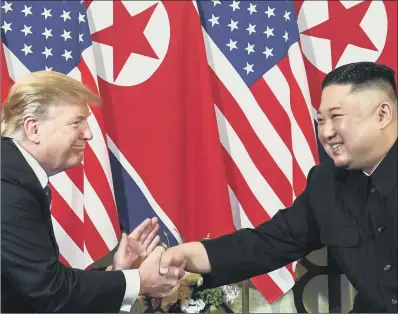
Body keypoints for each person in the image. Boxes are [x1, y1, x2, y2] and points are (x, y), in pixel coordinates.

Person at [158, 62, 398, 313]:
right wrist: (185, 255)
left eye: (337, 117)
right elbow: (269, 243)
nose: (327, 132)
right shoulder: (327, 182)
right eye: (320, 120)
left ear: (382, 115)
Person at [1, 71, 184, 312]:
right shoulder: (8, 184)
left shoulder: (16, 173)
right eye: (77, 122)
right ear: (33, 128)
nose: (88, 134)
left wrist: (117, 274)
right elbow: (50, 292)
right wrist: (141, 280)